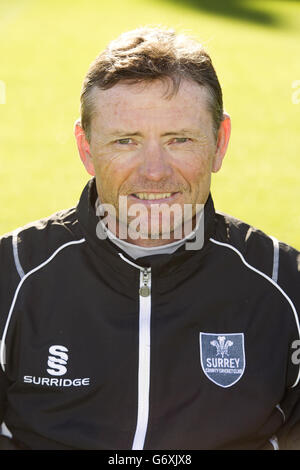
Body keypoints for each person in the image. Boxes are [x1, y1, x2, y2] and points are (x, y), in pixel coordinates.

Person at [0, 26, 299, 451]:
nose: (155, 171)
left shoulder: (286, 286)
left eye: (179, 139)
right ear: (86, 148)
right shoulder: (11, 276)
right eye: (126, 141)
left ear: (219, 143)